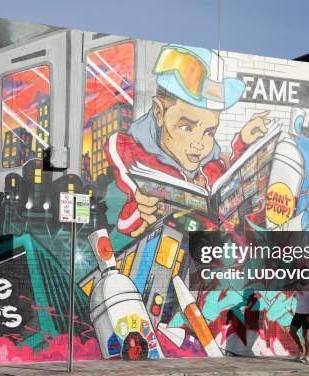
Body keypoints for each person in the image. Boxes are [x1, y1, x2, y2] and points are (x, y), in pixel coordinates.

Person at [106, 44, 271, 237]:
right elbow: (124, 224)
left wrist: (243, 144)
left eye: (209, 132)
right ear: (159, 113)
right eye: (186, 127)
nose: (199, 143)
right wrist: (141, 208)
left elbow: (229, 194)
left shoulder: (210, 166)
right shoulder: (132, 154)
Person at [289, 286, 309, 363]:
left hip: (307, 315)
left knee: (306, 335)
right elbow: (295, 296)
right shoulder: (299, 288)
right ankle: (302, 349)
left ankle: (307, 355)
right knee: (292, 332)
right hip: (298, 314)